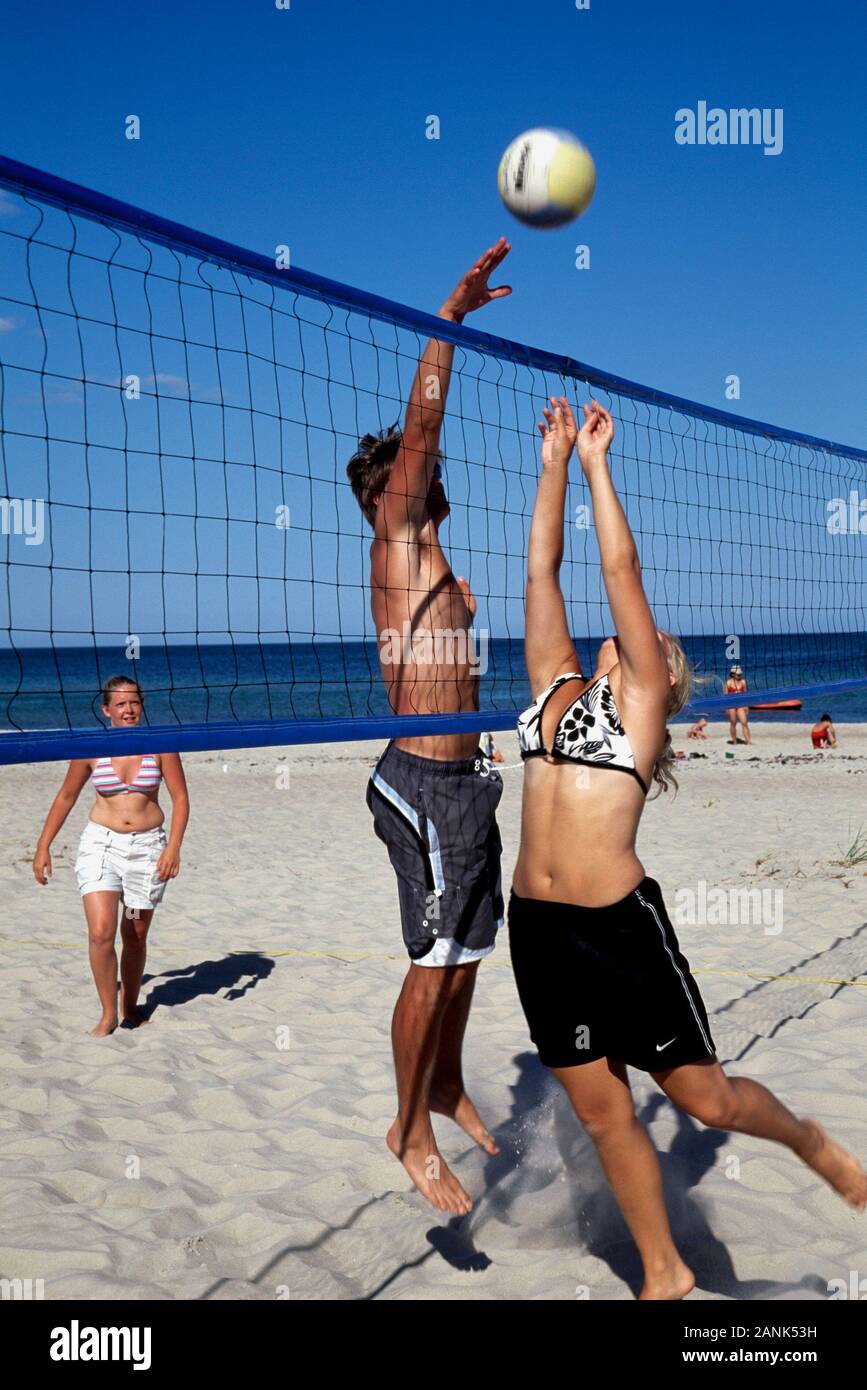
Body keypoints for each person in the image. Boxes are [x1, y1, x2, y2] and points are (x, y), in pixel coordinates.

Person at [508, 396, 867, 1299]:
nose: (646, 638)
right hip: (538, 929)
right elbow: (540, 572)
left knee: (701, 1101)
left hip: (617, 931)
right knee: (601, 1114)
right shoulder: (555, 683)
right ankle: (662, 1276)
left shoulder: (637, 714)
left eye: (659, 649)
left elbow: (618, 566)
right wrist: (551, 462)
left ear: (663, 684)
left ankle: (808, 1138)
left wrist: (597, 465)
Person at [347, 240, 512, 1216]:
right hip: (413, 782)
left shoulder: (439, 556)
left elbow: (455, 666)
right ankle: (407, 1125)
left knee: (471, 953)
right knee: (433, 959)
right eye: (404, 472)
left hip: (465, 784)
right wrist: (448, 319)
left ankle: (445, 1084)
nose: (417, 473)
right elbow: (423, 422)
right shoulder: (394, 537)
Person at [33, 676, 189, 1036]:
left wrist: (173, 847)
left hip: (147, 851)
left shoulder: (161, 745)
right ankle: (108, 1014)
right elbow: (66, 797)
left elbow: (180, 799)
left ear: (142, 704)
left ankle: (130, 1005)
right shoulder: (91, 746)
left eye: (134, 702)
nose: (129, 710)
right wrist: (44, 845)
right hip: (100, 847)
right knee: (101, 932)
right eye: (120, 704)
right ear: (107, 710)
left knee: (133, 931)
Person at [724, 664, 751, 744]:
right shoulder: (728, 683)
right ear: (733, 674)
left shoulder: (743, 682)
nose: (739, 675)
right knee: (733, 722)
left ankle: (748, 741)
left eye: (740, 674)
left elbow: (746, 694)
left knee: (744, 722)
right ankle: (734, 741)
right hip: (731, 705)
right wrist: (726, 708)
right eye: (738, 674)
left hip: (741, 705)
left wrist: (746, 706)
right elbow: (725, 697)